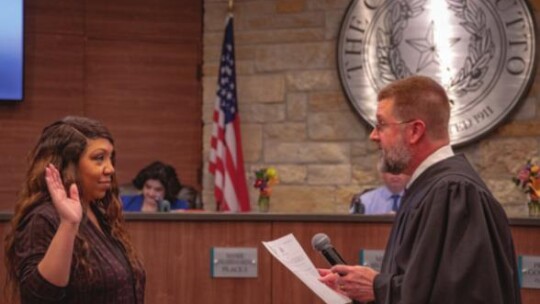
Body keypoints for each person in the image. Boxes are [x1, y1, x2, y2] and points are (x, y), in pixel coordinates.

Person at [319, 76, 521, 303]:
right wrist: (361, 292)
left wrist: (377, 287)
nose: (373, 136)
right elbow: (419, 284)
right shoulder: (428, 189)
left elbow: (459, 295)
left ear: (415, 131)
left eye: (381, 124)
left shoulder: (454, 193)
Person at [3, 116, 145, 304]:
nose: (110, 168)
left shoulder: (99, 212)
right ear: (69, 165)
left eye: (111, 158)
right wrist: (68, 224)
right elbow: (37, 297)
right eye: (99, 158)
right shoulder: (43, 218)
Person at [121, 161, 190, 212]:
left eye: (158, 190)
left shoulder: (180, 206)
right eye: (148, 187)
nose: (151, 194)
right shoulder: (124, 202)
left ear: (167, 191)